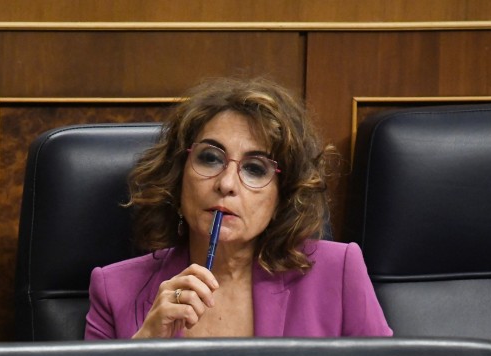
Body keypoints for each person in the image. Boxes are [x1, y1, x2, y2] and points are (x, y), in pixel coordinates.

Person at [84, 76, 393, 339]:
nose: (227, 183)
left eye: (255, 169)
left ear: (281, 196)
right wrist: (142, 347)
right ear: (178, 176)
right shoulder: (114, 290)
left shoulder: (338, 272)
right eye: (210, 158)